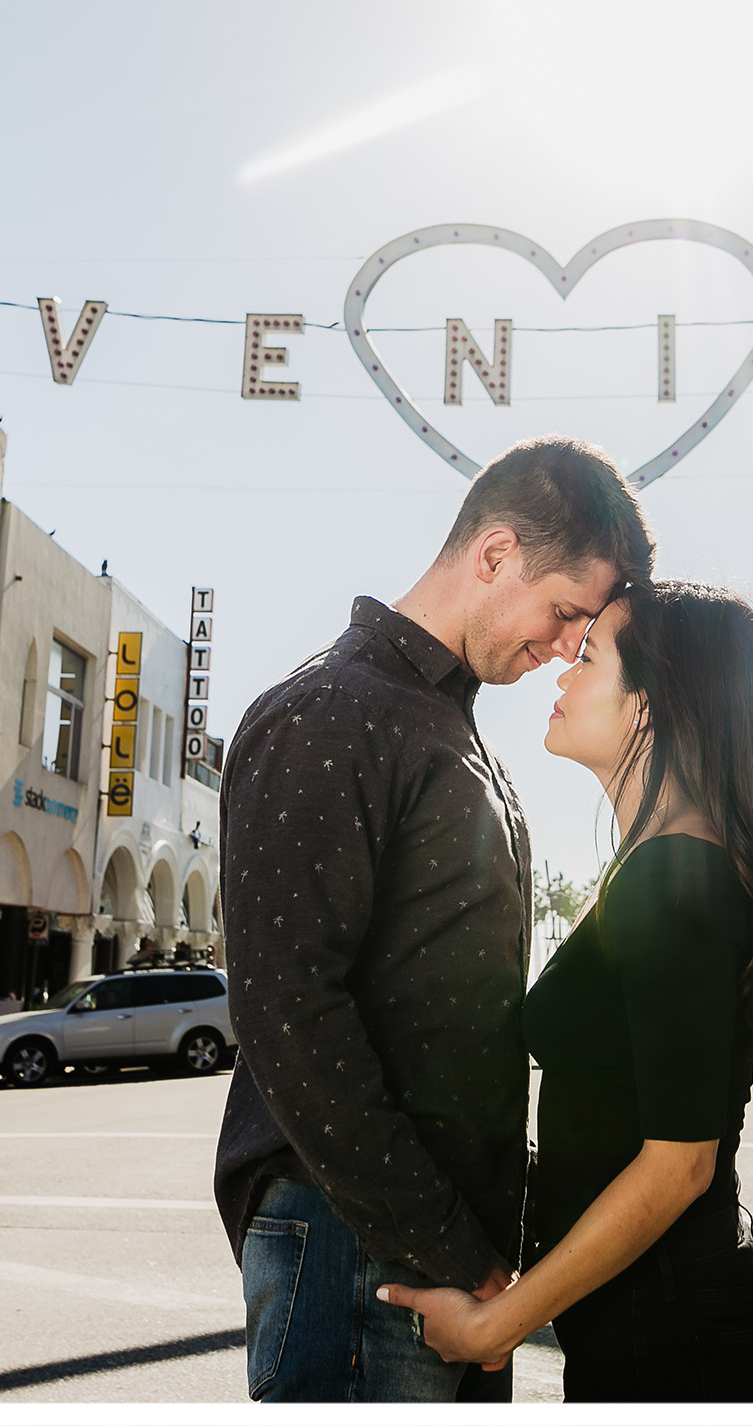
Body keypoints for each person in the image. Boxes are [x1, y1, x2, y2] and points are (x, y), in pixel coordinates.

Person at [213, 436, 654, 1404]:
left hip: (433, 1244)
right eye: (564, 612)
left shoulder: (441, 722)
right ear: (494, 554)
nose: (562, 647)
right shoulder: (330, 711)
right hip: (359, 1244)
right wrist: (452, 1244)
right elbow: (288, 1011)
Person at [381, 580, 753, 1402]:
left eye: (588, 657)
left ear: (650, 706)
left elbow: (679, 1165)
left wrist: (502, 1322)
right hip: (647, 1318)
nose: (562, 671)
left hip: (667, 1333)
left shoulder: (674, 877)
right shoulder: (661, 864)